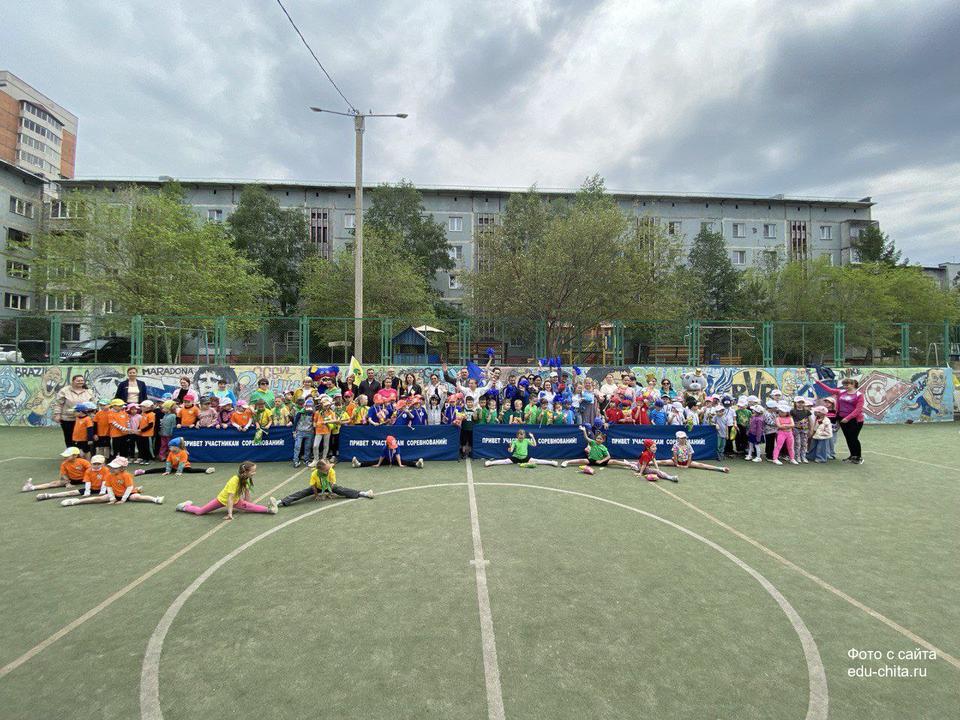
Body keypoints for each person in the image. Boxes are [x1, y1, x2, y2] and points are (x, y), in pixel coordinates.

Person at [176, 461, 278, 517]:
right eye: (253, 471)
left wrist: (247, 504)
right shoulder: (234, 480)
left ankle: (269, 510)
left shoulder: (246, 479)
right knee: (200, 512)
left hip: (236, 501)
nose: (254, 473)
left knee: (251, 507)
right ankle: (184, 507)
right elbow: (230, 498)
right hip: (222, 500)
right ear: (245, 472)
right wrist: (230, 513)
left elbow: (247, 493)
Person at [61, 456, 164, 507]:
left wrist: (123, 499)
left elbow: (128, 488)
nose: (111, 469)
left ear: (122, 468)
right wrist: (112, 498)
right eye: (111, 467)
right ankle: (76, 501)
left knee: (137, 497)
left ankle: (155, 499)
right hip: (115, 494)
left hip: (128, 493)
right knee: (98, 499)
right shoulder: (109, 475)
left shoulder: (126, 475)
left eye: (115, 468)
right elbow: (109, 488)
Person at [279, 459, 374, 505]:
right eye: (326, 469)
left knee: (341, 490)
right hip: (317, 487)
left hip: (329, 486)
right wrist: (317, 495)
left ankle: (363, 493)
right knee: (302, 492)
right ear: (320, 470)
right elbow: (313, 486)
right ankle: (281, 501)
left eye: (329, 468)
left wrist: (329, 493)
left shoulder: (331, 471)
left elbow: (332, 484)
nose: (328, 470)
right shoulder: (314, 474)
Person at [815, 376, 865, 464]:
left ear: (853, 384)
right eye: (844, 385)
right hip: (842, 419)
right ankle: (852, 456)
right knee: (848, 438)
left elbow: (858, 409)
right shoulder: (841, 392)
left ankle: (858, 457)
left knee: (853, 438)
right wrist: (818, 382)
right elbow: (829, 390)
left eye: (847, 385)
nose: (845, 386)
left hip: (855, 420)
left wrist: (848, 418)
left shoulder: (859, 395)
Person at [35, 454, 109, 502]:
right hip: (92, 488)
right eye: (94, 464)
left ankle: (75, 501)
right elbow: (88, 482)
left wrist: (102, 491)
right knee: (72, 492)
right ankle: (50, 495)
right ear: (91, 463)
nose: (96, 466)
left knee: (101, 498)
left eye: (99, 464)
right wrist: (87, 491)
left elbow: (104, 482)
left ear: (103, 464)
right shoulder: (88, 471)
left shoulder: (106, 470)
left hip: (105, 488)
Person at [21, 446, 91, 495]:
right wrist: (67, 483)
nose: (65, 457)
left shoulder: (82, 461)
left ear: (75, 455)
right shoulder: (64, 464)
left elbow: (90, 470)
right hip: (72, 480)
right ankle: (32, 487)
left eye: (67, 456)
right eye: (64, 456)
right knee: (53, 483)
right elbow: (64, 474)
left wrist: (87, 479)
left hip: (85, 479)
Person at [134, 437, 217, 476]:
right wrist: (168, 471)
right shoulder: (171, 453)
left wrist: (179, 472)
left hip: (184, 466)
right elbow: (168, 462)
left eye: (171, 447)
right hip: (173, 467)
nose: (169, 448)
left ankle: (206, 470)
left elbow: (182, 463)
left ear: (176, 447)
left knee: (190, 470)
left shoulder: (183, 453)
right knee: (159, 469)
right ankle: (143, 472)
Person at [54, 374, 95, 449]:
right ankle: (71, 452)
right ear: (72, 381)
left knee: (84, 436)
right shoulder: (64, 391)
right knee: (69, 437)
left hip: (84, 419)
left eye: (82, 380)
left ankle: (83, 452)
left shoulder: (89, 391)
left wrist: (92, 413)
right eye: (78, 381)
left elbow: (93, 404)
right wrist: (57, 414)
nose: (80, 382)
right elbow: (58, 404)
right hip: (68, 418)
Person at [561, 428, 633, 470]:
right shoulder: (593, 442)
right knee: (581, 460)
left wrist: (601, 461)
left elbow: (608, 456)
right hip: (592, 460)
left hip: (601, 462)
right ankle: (567, 462)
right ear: (595, 438)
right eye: (598, 438)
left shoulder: (604, 448)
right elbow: (586, 438)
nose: (598, 440)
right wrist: (584, 431)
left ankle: (631, 465)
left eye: (600, 439)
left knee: (614, 461)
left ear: (603, 440)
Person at [658, 431, 729, 473]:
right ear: (678, 439)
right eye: (681, 438)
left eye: (684, 438)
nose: (683, 439)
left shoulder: (688, 445)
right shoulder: (675, 445)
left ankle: (720, 468)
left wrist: (687, 465)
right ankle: (651, 462)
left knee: (702, 465)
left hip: (687, 462)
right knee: (663, 462)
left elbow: (690, 457)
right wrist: (677, 464)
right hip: (676, 461)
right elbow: (675, 456)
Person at [483, 429, 558, 467]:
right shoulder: (515, 441)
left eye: (522, 437)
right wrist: (510, 449)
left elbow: (535, 445)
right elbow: (511, 451)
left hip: (525, 458)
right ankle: (490, 463)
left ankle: (551, 462)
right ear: (517, 436)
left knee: (536, 461)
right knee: (505, 461)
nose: (521, 438)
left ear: (524, 436)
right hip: (516, 457)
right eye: (520, 437)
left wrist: (532, 437)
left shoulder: (526, 440)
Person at [351, 435, 424, 468]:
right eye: (391, 445)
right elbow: (382, 456)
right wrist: (378, 464)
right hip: (386, 460)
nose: (393, 447)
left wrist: (400, 464)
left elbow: (397, 455)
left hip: (394, 460)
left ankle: (417, 464)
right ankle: (359, 464)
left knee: (406, 462)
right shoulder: (384, 448)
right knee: (373, 462)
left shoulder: (397, 446)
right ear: (387, 444)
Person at [291, 399, 315, 467]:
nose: (309, 407)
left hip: (309, 432)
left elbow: (314, 423)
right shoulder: (300, 413)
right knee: (297, 447)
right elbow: (295, 422)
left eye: (310, 406)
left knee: (308, 447)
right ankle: (296, 461)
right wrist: (294, 432)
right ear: (305, 405)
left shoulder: (313, 413)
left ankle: (306, 460)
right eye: (308, 405)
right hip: (300, 432)